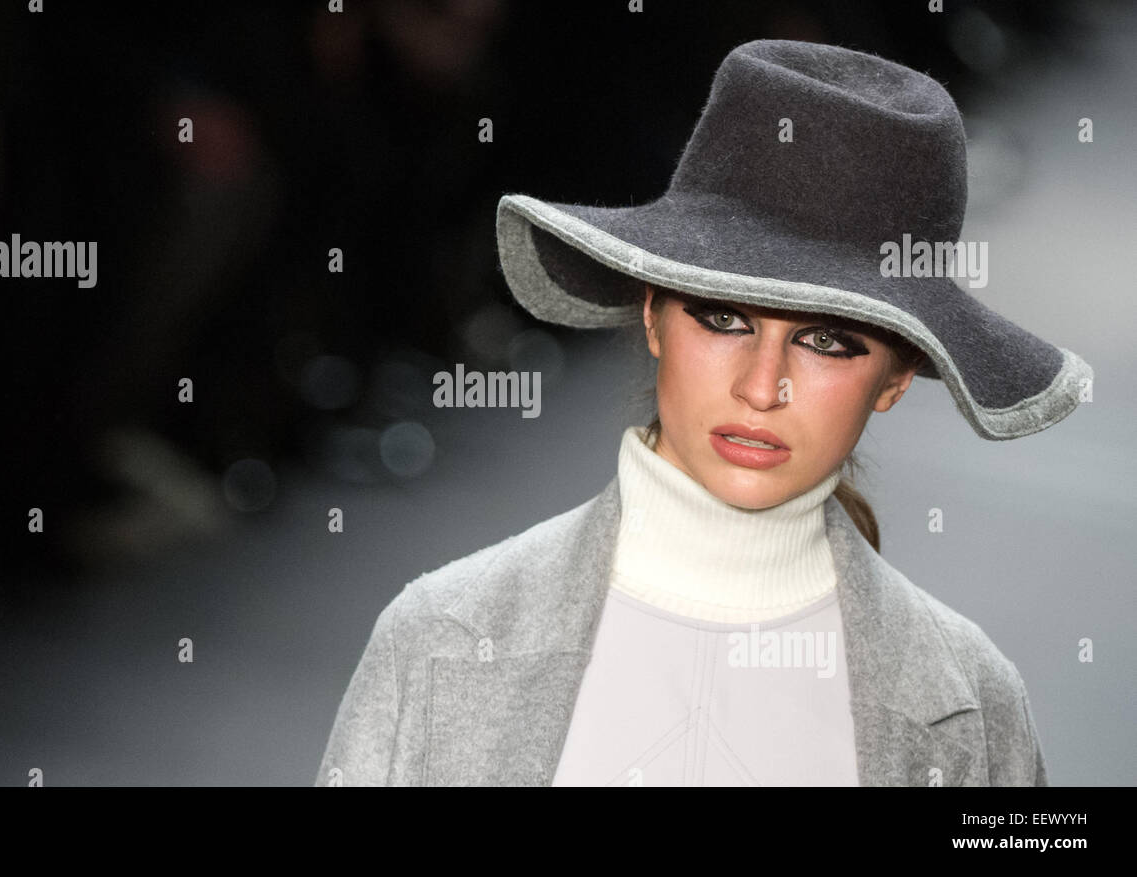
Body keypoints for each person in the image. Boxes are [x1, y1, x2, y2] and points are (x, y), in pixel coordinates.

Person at [314, 39, 1090, 786]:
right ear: (652, 314)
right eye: (723, 319)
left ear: (896, 376)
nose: (762, 386)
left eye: (828, 340)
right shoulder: (440, 636)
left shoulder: (972, 706)